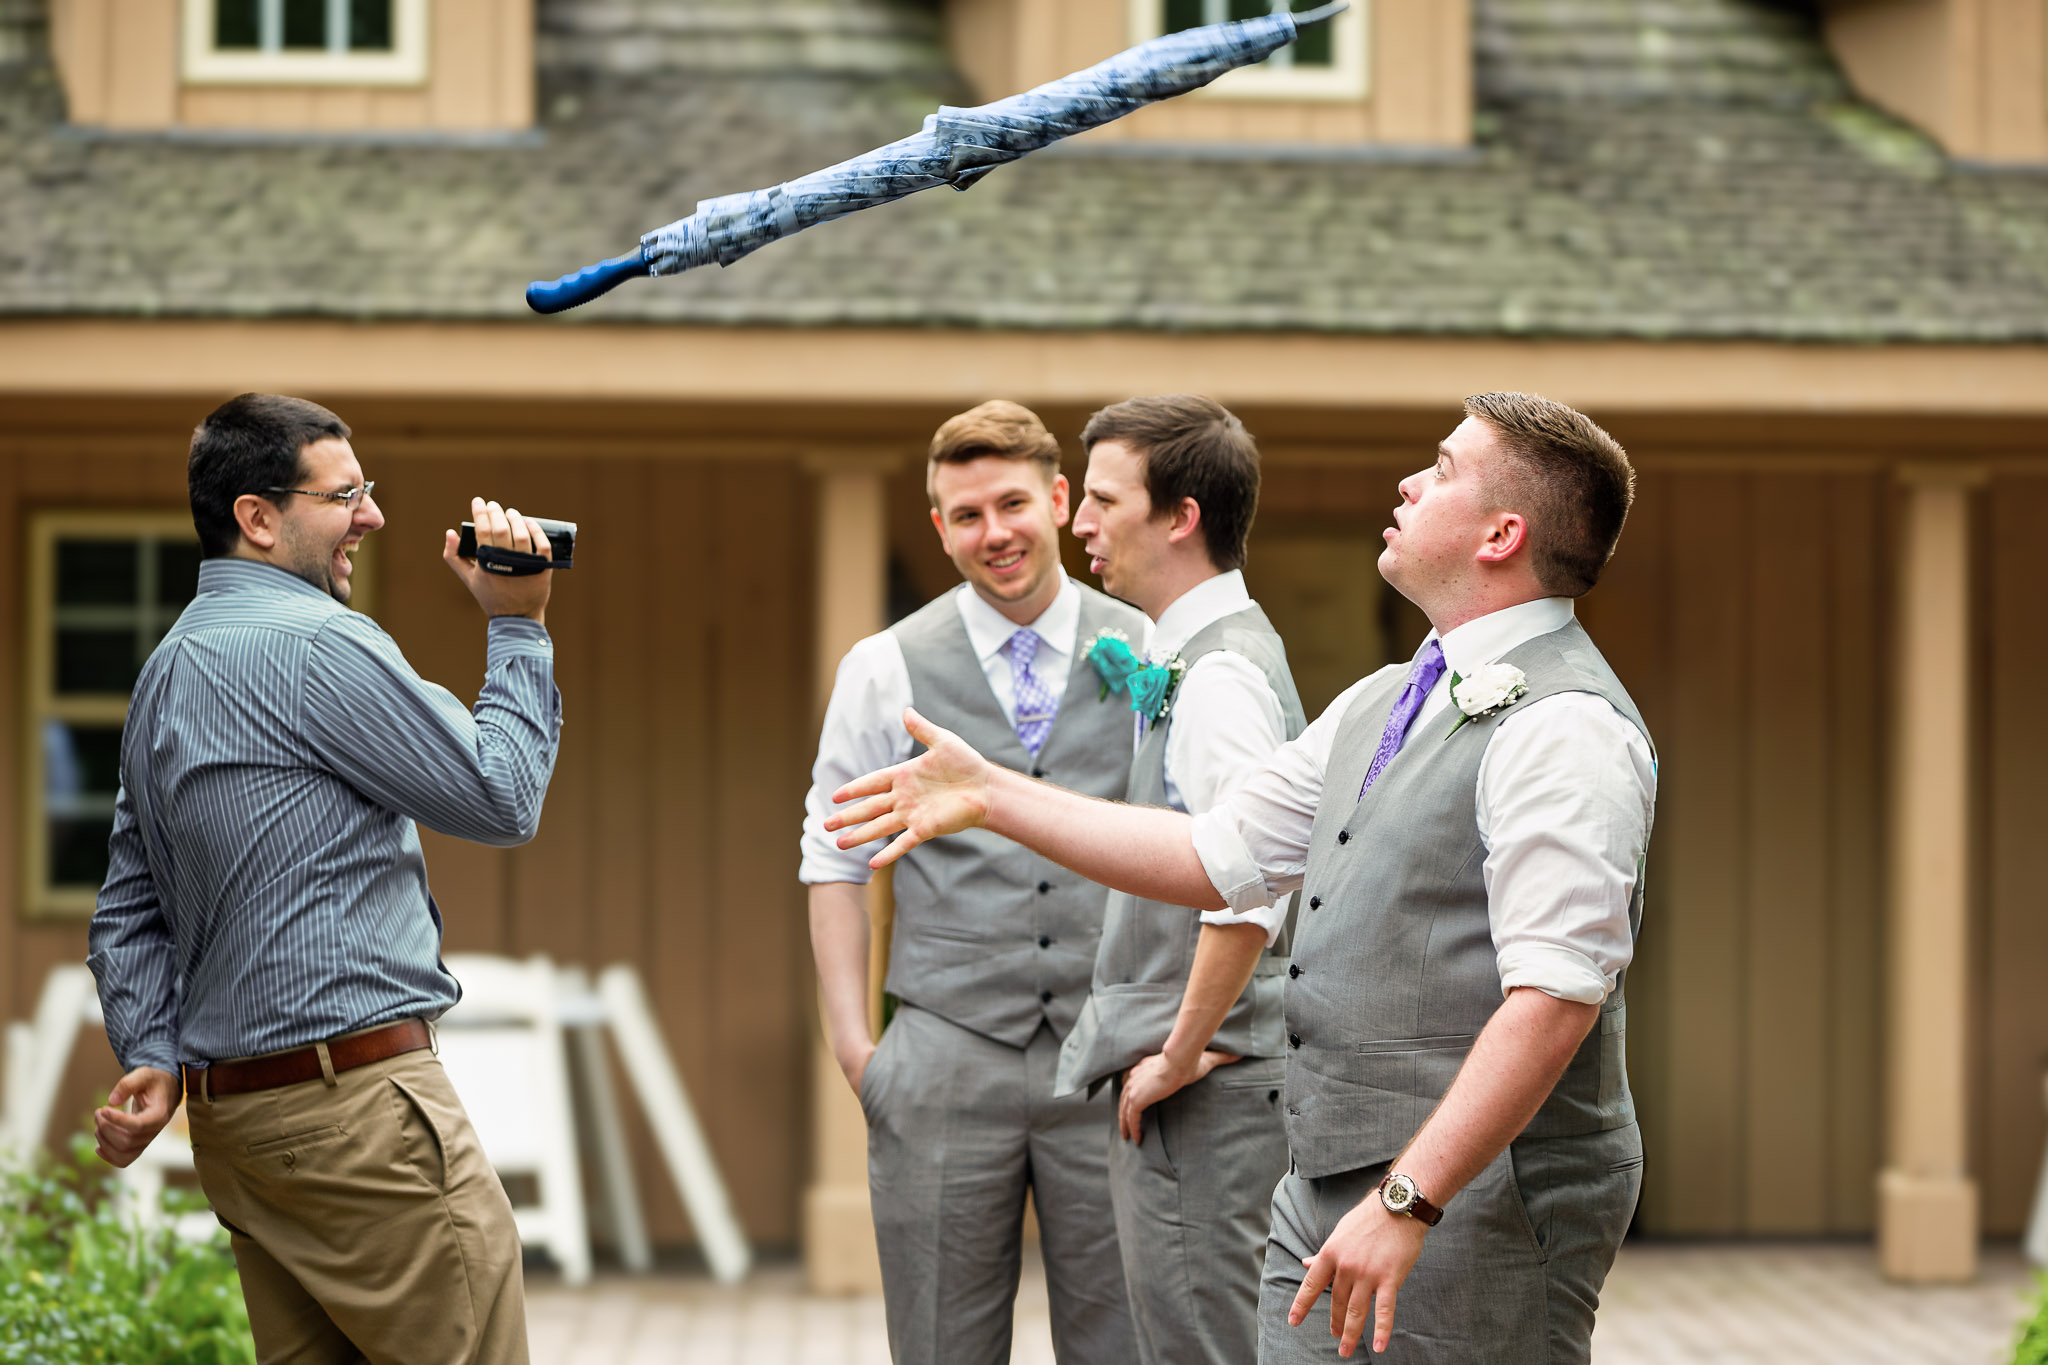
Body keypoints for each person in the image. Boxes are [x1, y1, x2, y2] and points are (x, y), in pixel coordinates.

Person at [828, 392, 1655, 1364]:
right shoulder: (1380, 699)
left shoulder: (1563, 727)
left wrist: (1406, 1196)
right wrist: (989, 795)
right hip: (1321, 1183)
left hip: (1476, 1197)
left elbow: (1555, 997)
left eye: (1439, 469)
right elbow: (1213, 856)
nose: (1407, 481)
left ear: (1499, 534)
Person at [87, 392, 563, 1365]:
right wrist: (518, 625)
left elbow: (129, 903)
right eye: (345, 495)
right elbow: (501, 797)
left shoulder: (167, 670)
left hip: (239, 1132)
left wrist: (151, 1049)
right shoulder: (321, 644)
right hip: (359, 1118)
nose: (372, 516)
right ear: (257, 518)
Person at [800, 400, 1142, 1365]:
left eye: (1012, 504)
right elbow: (832, 850)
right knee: (940, 1343)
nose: (994, 533)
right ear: (938, 526)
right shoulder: (884, 665)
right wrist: (857, 1046)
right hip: (944, 1051)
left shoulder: (1150, 645)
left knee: (1123, 1340)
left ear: (1060, 498)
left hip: (1109, 1050)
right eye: (965, 514)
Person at [1054, 395, 1303, 1365]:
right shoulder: (1189, 654)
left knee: (1199, 1346)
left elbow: (1251, 888)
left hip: (1201, 1091)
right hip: (1198, 1081)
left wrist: (1179, 1048)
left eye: (1102, 501)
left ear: (1180, 518)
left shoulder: (1220, 680)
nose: (1077, 522)